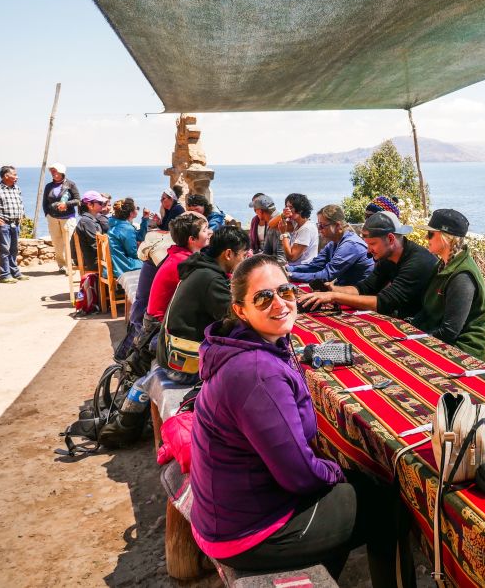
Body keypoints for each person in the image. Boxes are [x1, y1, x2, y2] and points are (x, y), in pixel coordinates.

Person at [190, 255, 412, 586]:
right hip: (249, 532)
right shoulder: (257, 373)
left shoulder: (247, 347)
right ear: (240, 310)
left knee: (354, 487)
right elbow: (299, 475)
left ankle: (324, 562)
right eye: (263, 297)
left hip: (229, 511)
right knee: (385, 505)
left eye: (286, 291)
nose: (279, 303)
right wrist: (337, 472)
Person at [298, 211, 437, 319]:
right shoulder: (388, 257)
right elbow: (365, 288)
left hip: (422, 325)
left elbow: (384, 303)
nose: (368, 250)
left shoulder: (417, 262)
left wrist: (334, 297)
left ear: (390, 239)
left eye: (372, 244)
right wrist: (333, 289)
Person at [160, 225, 250, 383]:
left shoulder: (200, 267)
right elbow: (235, 318)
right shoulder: (211, 279)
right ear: (228, 254)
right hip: (185, 364)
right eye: (243, 255)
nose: (243, 261)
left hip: (169, 352)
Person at [410, 209, 485, 361]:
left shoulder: (462, 276)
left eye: (430, 234)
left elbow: (449, 332)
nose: (425, 237)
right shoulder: (442, 265)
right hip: (443, 340)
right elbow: (426, 311)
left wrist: (415, 342)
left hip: (465, 350)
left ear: (445, 237)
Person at [146, 211, 212, 323]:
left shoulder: (178, 255)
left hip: (158, 318)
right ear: (192, 239)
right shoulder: (184, 262)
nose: (210, 232)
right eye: (205, 230)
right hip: (160, 326)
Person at [286, 204, 374, 287]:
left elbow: (326, 276)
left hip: (358, 295)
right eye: (318, 225)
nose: (319, 229)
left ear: (338, 226)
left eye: (322, 225)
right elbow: (314, 266)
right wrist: (287, 269)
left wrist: (289, 275)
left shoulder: (350, 245)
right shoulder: (333, 243)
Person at [41, 162, 80, 271]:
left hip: (68, 218)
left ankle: (69, 266)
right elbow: (45, 202)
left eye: (55, 171)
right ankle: (61, 265)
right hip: (52, 218)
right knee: (57, 243)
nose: (53, 173)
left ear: (61, 172)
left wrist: (66, 204)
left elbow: (78, 200)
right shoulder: (49, 186)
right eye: (51, 171)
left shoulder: (71, 184)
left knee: (69, 242)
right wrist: (47, 214)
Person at [277, 193, 319, 266]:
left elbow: (291, 257)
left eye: (291, 207)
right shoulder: (297, 224)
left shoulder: (306, 228)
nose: (287, 210)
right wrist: (283, 215)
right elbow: (271, 224)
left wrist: (284, 234)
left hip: (303, 271)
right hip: (295, 268)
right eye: (286, 207)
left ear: (300, 210)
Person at [72, 190, 108, 272]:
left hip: (95, 259)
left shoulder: (91, 219)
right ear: (89, 205)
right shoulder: (87, 222)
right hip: (94, 262)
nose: (102, 205)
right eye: (100, 203)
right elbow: (95, 246)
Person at [107, 198, 142, 278]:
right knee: (151, 264)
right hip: (122, 266)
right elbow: (133, 254)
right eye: (136, 208)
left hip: (113, 264)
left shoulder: (113, 224)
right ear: (130, 213)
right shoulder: (127, 228)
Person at [252, 194, 286, 263]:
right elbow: (267, 252)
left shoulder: (279, 224)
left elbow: (282, 259)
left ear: (260, 211)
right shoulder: (270, 223)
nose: (255, 212)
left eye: (255, 210)